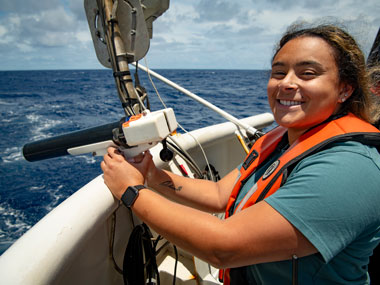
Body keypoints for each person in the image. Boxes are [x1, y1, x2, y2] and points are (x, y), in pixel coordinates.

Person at [101, 23, 380, 284]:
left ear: (344, 89)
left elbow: (223, 248)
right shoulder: (281, 138)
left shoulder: (351, 168)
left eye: (308, 73)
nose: (286, 83)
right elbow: (220, 195)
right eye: (279, 73)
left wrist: (132, 190)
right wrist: (152, 174)